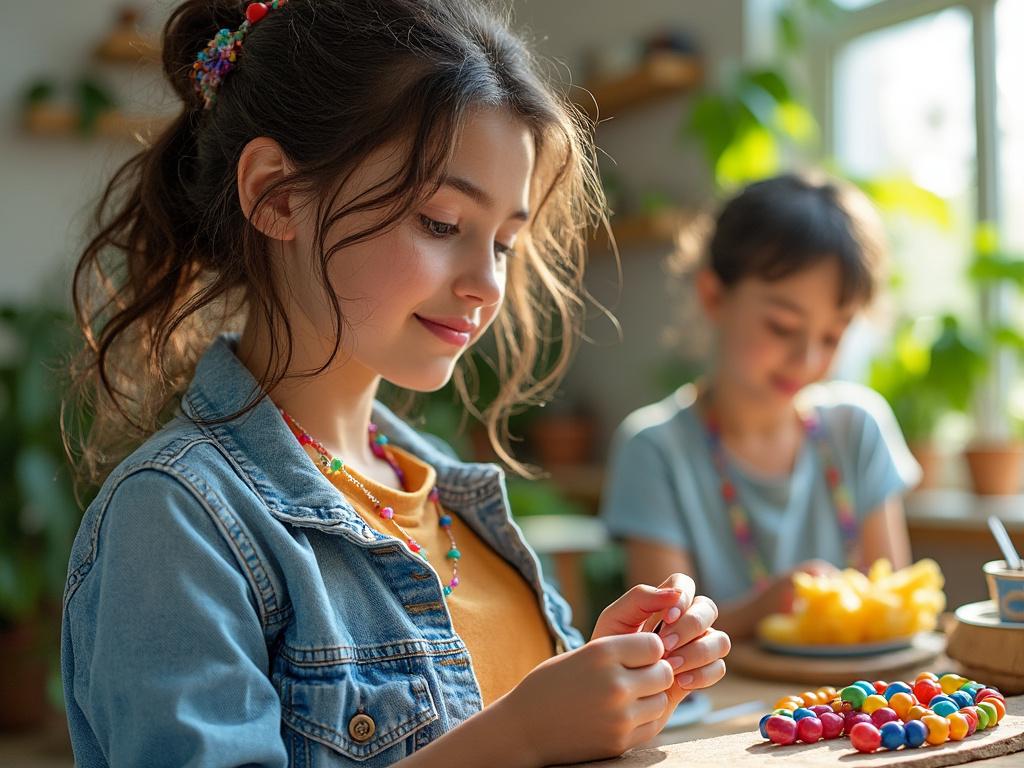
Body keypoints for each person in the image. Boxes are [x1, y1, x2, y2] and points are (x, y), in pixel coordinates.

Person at [60, 2, 729, 766]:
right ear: (277, 195)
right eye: (442, 223)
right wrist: (522, 735)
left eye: (505, 242)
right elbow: (505, 740)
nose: (486, 284)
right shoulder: (175, 520)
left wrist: (614, 686)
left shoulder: (443, 491)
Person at [601, 173, 921, 640]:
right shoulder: (655, 450)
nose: (807, 359)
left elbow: (895, 612)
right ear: (714, 297)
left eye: (832, 336)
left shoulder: (858, 428)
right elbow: (660, 638)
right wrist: (770, 605)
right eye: (782, 327)